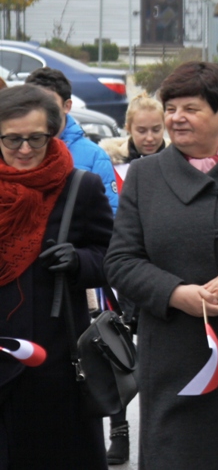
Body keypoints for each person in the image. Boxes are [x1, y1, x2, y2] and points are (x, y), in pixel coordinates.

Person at [104, 62, 218, 469]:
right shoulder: (144, 175)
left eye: (190, 108)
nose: (175, 118)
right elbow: (120, 259)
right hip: (172, 355)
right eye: (170, 108)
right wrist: (174, 293)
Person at [0, 85, 113, 468]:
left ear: (54, 133)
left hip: (56, 362)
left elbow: (112, 257)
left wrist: (80, 261)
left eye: (36, 138)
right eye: (13, 139)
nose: (25, 149)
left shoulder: (81, 187)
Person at [98, 93, 167, 465]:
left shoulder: (177, 161)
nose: (150, 137)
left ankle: (159, 430)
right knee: (116, 358)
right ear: (128, 129)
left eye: (156, 129)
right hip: (123, 274)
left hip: (162, 271)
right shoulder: (111, 162)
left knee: (157, 362)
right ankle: (119, 433)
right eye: (142, 130)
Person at [25, 67, 118, 215]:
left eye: (49, 103)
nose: (41, 110)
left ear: (67, 106)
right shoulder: (17, 149)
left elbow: (109, 216)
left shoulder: (94, 156)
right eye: (33, 102)